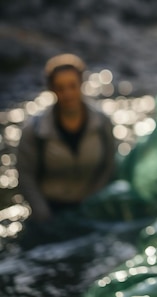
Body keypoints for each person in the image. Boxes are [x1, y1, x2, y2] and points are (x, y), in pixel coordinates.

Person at [16, 53, 116, 223]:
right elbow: (25, 176)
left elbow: (109, 164)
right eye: (60, 88)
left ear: (81, 85)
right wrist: (43, 214)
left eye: (72, 86)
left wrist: (96, 202)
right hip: (49, 211)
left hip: (92, 210)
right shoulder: (34, 131)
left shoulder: (102, 123)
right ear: (51, 89)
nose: (67, 94)